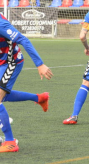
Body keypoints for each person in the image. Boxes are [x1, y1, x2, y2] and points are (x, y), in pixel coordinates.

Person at [0, 14, 53, 153]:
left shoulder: (0, 24)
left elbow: (23, 40)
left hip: (11, 62)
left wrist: (40, 64)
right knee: (3, 95)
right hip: (1, 61)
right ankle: (40, 98)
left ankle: (10, 142)